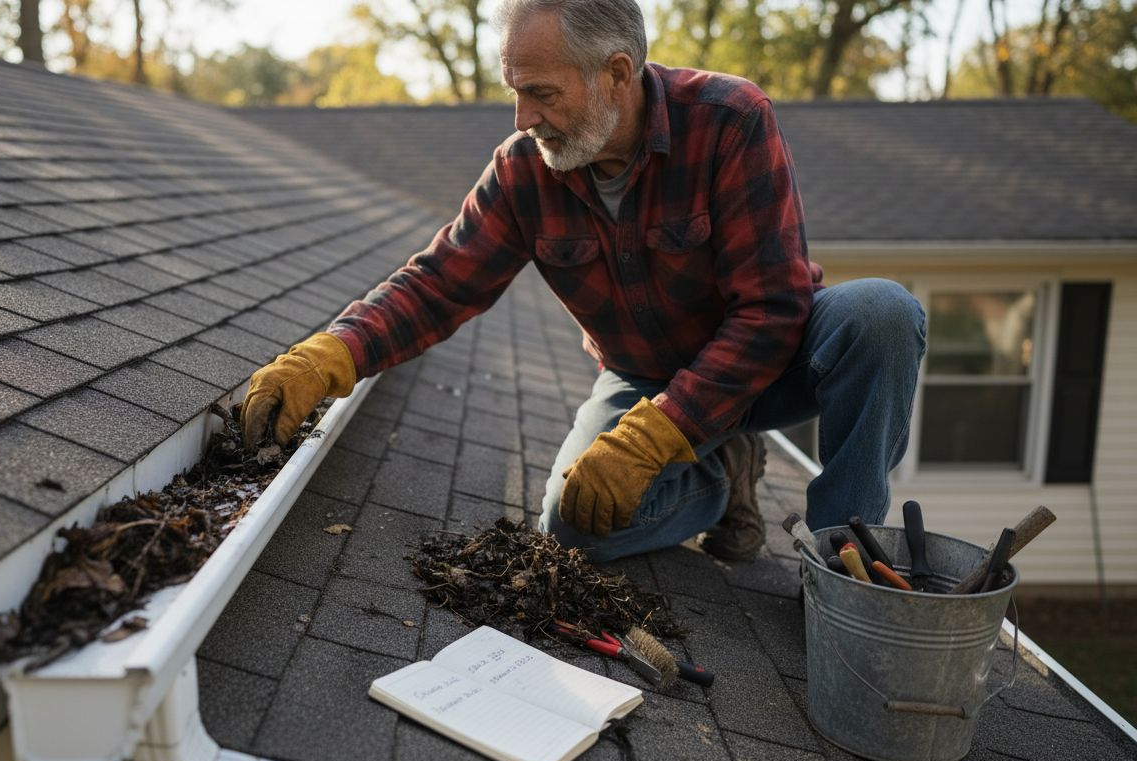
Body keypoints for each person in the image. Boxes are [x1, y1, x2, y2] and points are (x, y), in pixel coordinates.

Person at [237, 0, 925, 563]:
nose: (522, 117)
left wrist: (657, 438)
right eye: (515, 92)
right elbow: (440, 283)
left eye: (540, 94)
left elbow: (773, 312)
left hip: (774, 365)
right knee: (575, 525)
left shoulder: (729, 121)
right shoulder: (523, 170)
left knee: (882, 313)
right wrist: (334, 354)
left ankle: (843, 557)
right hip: (646, 376)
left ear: (617, 74)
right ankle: (721, 475)